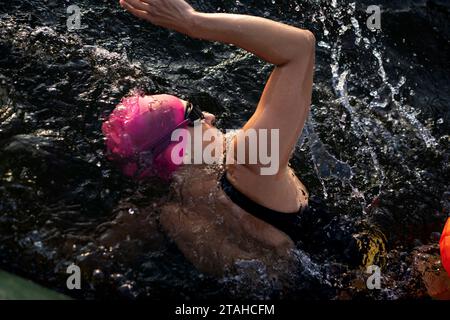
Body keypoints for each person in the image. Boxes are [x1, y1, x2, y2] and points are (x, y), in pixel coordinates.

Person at [103, 0, 316, 276]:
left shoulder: (172, 214)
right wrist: (193, 22)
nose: (210, 116)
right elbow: (300, 47)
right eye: (193, 114)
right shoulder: (249, 161)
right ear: (177, 146)